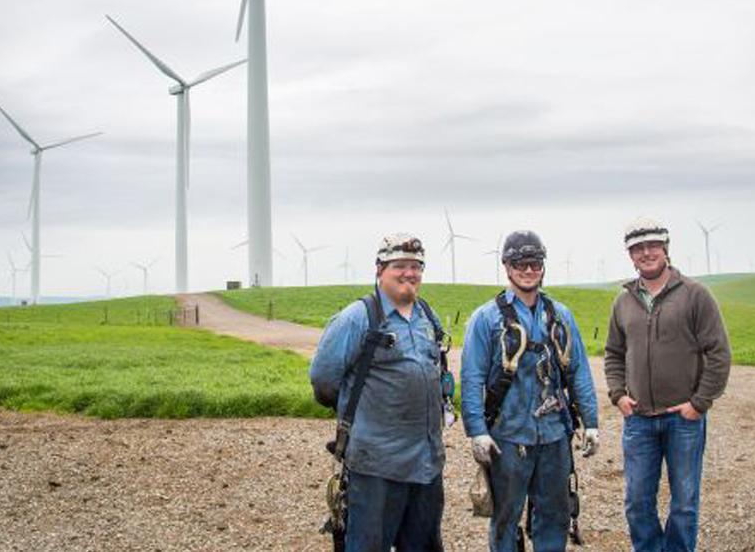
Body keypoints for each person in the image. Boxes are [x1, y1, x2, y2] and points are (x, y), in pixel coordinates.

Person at [310, 233, 451, 552]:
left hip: (427, 462)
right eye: (399, 265)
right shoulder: (358, 318)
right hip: (376, 466)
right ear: (379, 270)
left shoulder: (427, 316)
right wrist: (358, 415)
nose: (409, 273)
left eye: (416, 267)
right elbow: (323, 380)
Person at [461, 230, 599, 552]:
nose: (528, 270)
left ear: (543, 267)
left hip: (555, 434)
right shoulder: (486, 319)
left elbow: (579, 371)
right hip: (507, 437)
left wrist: (590, 422)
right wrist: (477, 431)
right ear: (506, 267)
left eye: (534, 263)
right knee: (505, 517)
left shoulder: (560, 316)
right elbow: (471, 378)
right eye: (520, 263)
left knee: (554, 515)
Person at [604, 217, 732, 552]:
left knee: (685, 503)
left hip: (683, 419)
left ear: (665, 248)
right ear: (630, 255)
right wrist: (618, 395)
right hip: (639, 420)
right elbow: (614, 354)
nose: (646, 253)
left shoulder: (695, 295)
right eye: (637, 248)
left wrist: (699, 403)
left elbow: (718, 353)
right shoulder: (623, 302)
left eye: (652, 245)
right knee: (636, 502)